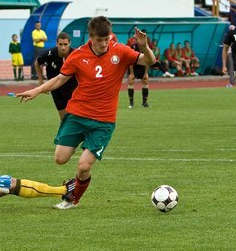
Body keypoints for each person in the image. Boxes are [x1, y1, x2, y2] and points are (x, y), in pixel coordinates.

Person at [16, 16, 156, 210]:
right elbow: (59, 79)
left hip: (103, 122)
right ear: (90, 37)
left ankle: (72, 199)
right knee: (60, 158)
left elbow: (150, 60)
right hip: (77, 115)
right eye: (99, 40)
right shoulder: (78, 55)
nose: (104, 44)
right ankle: (74, 184)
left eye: (106, 39)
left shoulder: (120, 51)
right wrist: (37, 90)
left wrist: (144, 46)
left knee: (83, 166)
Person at [34, 32, 77, 121]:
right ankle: (64, 133)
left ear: (70, 43)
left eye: (65, 44)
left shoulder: (75, 54)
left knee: (74, 115)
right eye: (60, 44)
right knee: (63, 117)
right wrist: (41, 82)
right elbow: (37, 63)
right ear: (56, 44)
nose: (63, 47)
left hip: (72, 87)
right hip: (56, 88)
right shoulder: (49, 53)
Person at [126, 28, 151, 108]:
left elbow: (148, 61)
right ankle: (131, 103)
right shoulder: (133, 46)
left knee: (145, 80)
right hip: (133, 66)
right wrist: (132, 73)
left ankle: (144, 103)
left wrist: (146, 73)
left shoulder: (147, 47)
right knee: (131, 81)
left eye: (145, 36)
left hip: (142, 66)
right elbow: (130, 60)